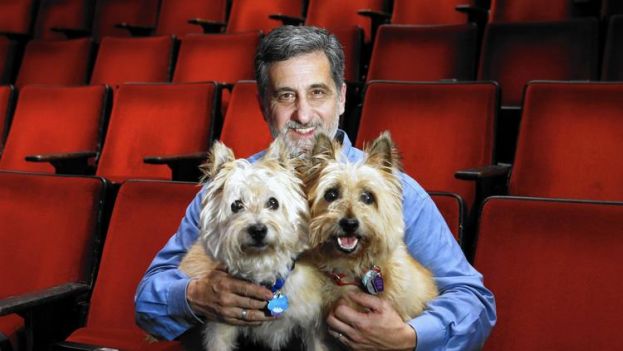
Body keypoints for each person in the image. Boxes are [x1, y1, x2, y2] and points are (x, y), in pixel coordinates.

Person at [135, 25, 496, 350]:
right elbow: (147, 300)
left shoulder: (394, 191)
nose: (304, 115)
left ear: (341, 97)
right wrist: (193, 296)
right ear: (264, 106)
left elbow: (474, 302)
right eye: (286, 96)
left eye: (317, 93)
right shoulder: (232, 189)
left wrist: (410, 337)